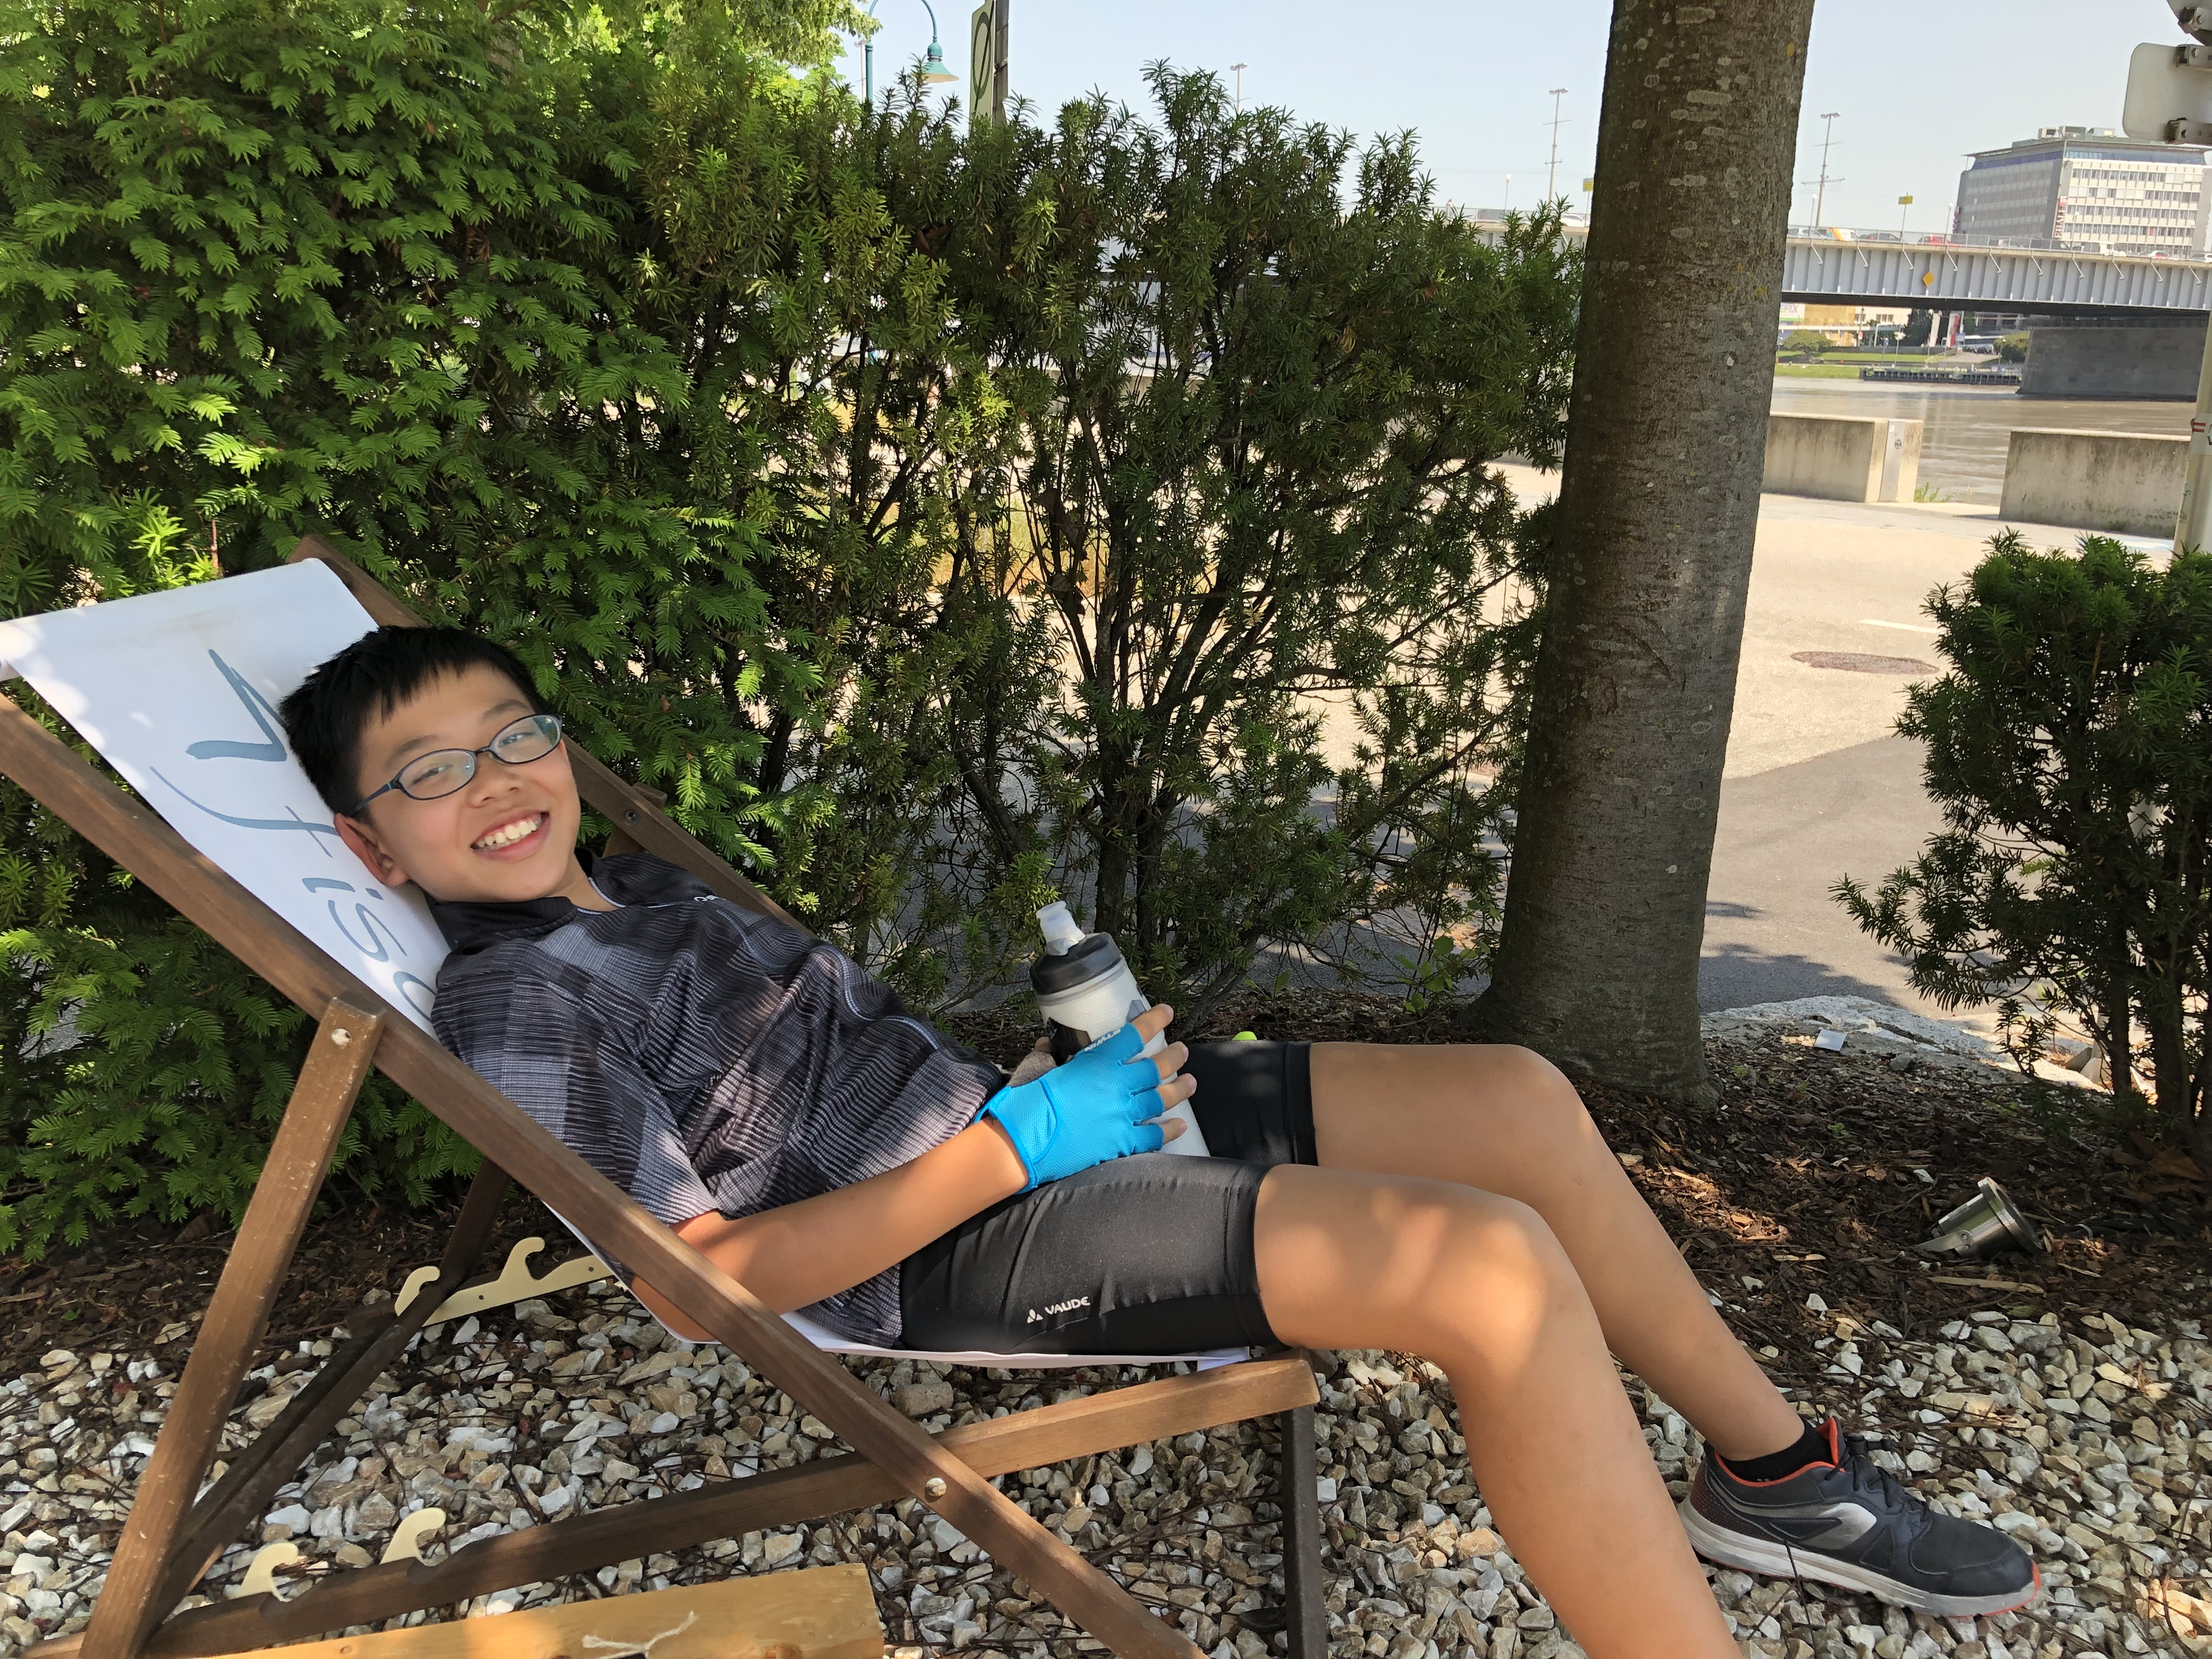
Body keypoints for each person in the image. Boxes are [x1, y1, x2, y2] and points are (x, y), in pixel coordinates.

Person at [278, 625, 2039, 1655]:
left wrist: (1056, 1083)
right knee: (1492, 1272)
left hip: (1007, 1139)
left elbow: (825, 1081)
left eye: (515, 735)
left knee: (1512, 1098)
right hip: (938, 1245)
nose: (494, 780)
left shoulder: (640, 895)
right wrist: (1028, 1142)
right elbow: (703, 1284)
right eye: (430, 772)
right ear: (369, 846)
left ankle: (1775, 1478)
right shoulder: (519, 1003)